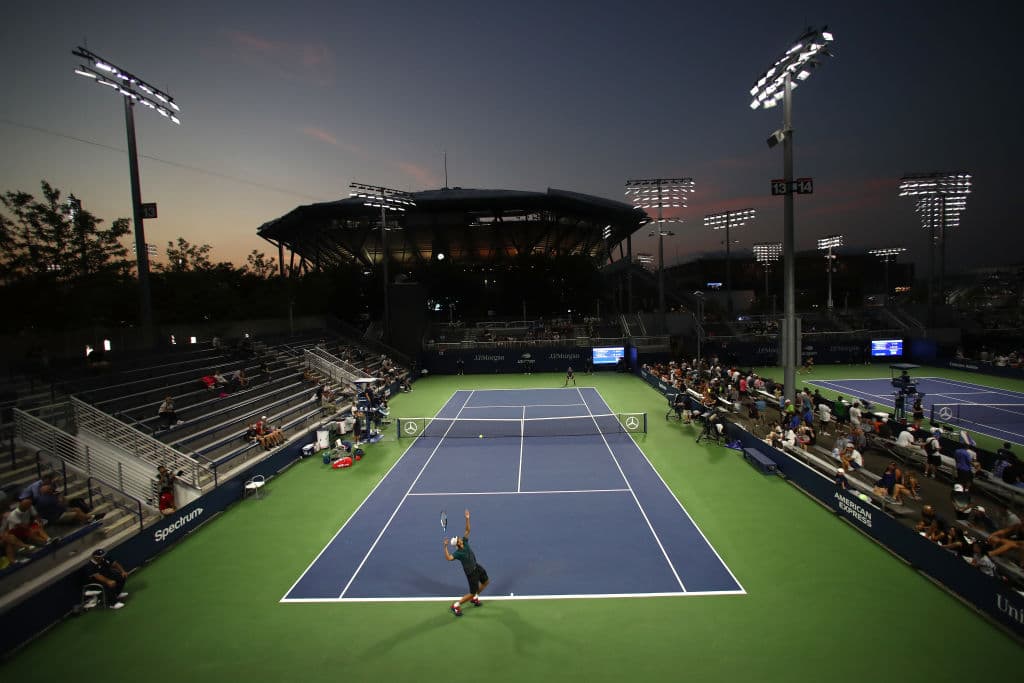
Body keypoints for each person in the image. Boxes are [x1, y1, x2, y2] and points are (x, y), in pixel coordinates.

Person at [443, 509, 489, 617]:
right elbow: (449, 558)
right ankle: (456, 605)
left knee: (486, 581)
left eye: (459, 538)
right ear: (458, 544)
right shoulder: (458, 553)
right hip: (471, 574)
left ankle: (475, 597)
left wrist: (467, 518)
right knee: (472, 592)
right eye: (458, 539)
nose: (460, 538)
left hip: (476, 567)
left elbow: (468, 530)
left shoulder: (465, 542)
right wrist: (445, 547)